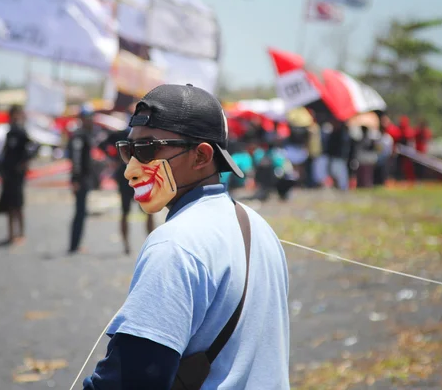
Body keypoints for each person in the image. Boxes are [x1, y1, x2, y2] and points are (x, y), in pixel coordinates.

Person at [83, 84, 290, 389]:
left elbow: (135, 378)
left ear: (201, 156)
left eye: (148, 149)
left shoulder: (174, 243)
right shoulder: (257, 225)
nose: (131, 169)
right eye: (128, 150)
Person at [98, 105, 155, 255]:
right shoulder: (122, 134)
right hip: (127, 176)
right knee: (127, 211)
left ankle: (149, 244)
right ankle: (127, 245)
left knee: (147, 210)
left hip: (141, 176)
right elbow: (102, 144)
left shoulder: (144, 134)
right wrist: (114, 159)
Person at [0, 105, 38, 245]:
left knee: (18, 205)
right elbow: (6, 153)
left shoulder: (21, 132)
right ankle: (11, 234)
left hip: (17, 175)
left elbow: (33, 146)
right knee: (9, 206)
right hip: (8, 174)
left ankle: (21, 234)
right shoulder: (10, 132)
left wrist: (25, 162)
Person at [67, 104, 96, 254]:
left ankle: (76, 244)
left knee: (82, 211)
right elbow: (76, 159)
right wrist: (76, 180)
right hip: (80, 180)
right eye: (88, 117)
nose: (90, 120)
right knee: (79, 212)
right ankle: (74, 245)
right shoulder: (79, 135)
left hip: (84, 178)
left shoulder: (86, 134)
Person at [374, 120, 394, 186]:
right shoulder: (377, 137)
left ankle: (383, 183)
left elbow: (389, 150)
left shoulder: (388, 138)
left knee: (384, 172)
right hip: (377, 158)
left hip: (385, 158)